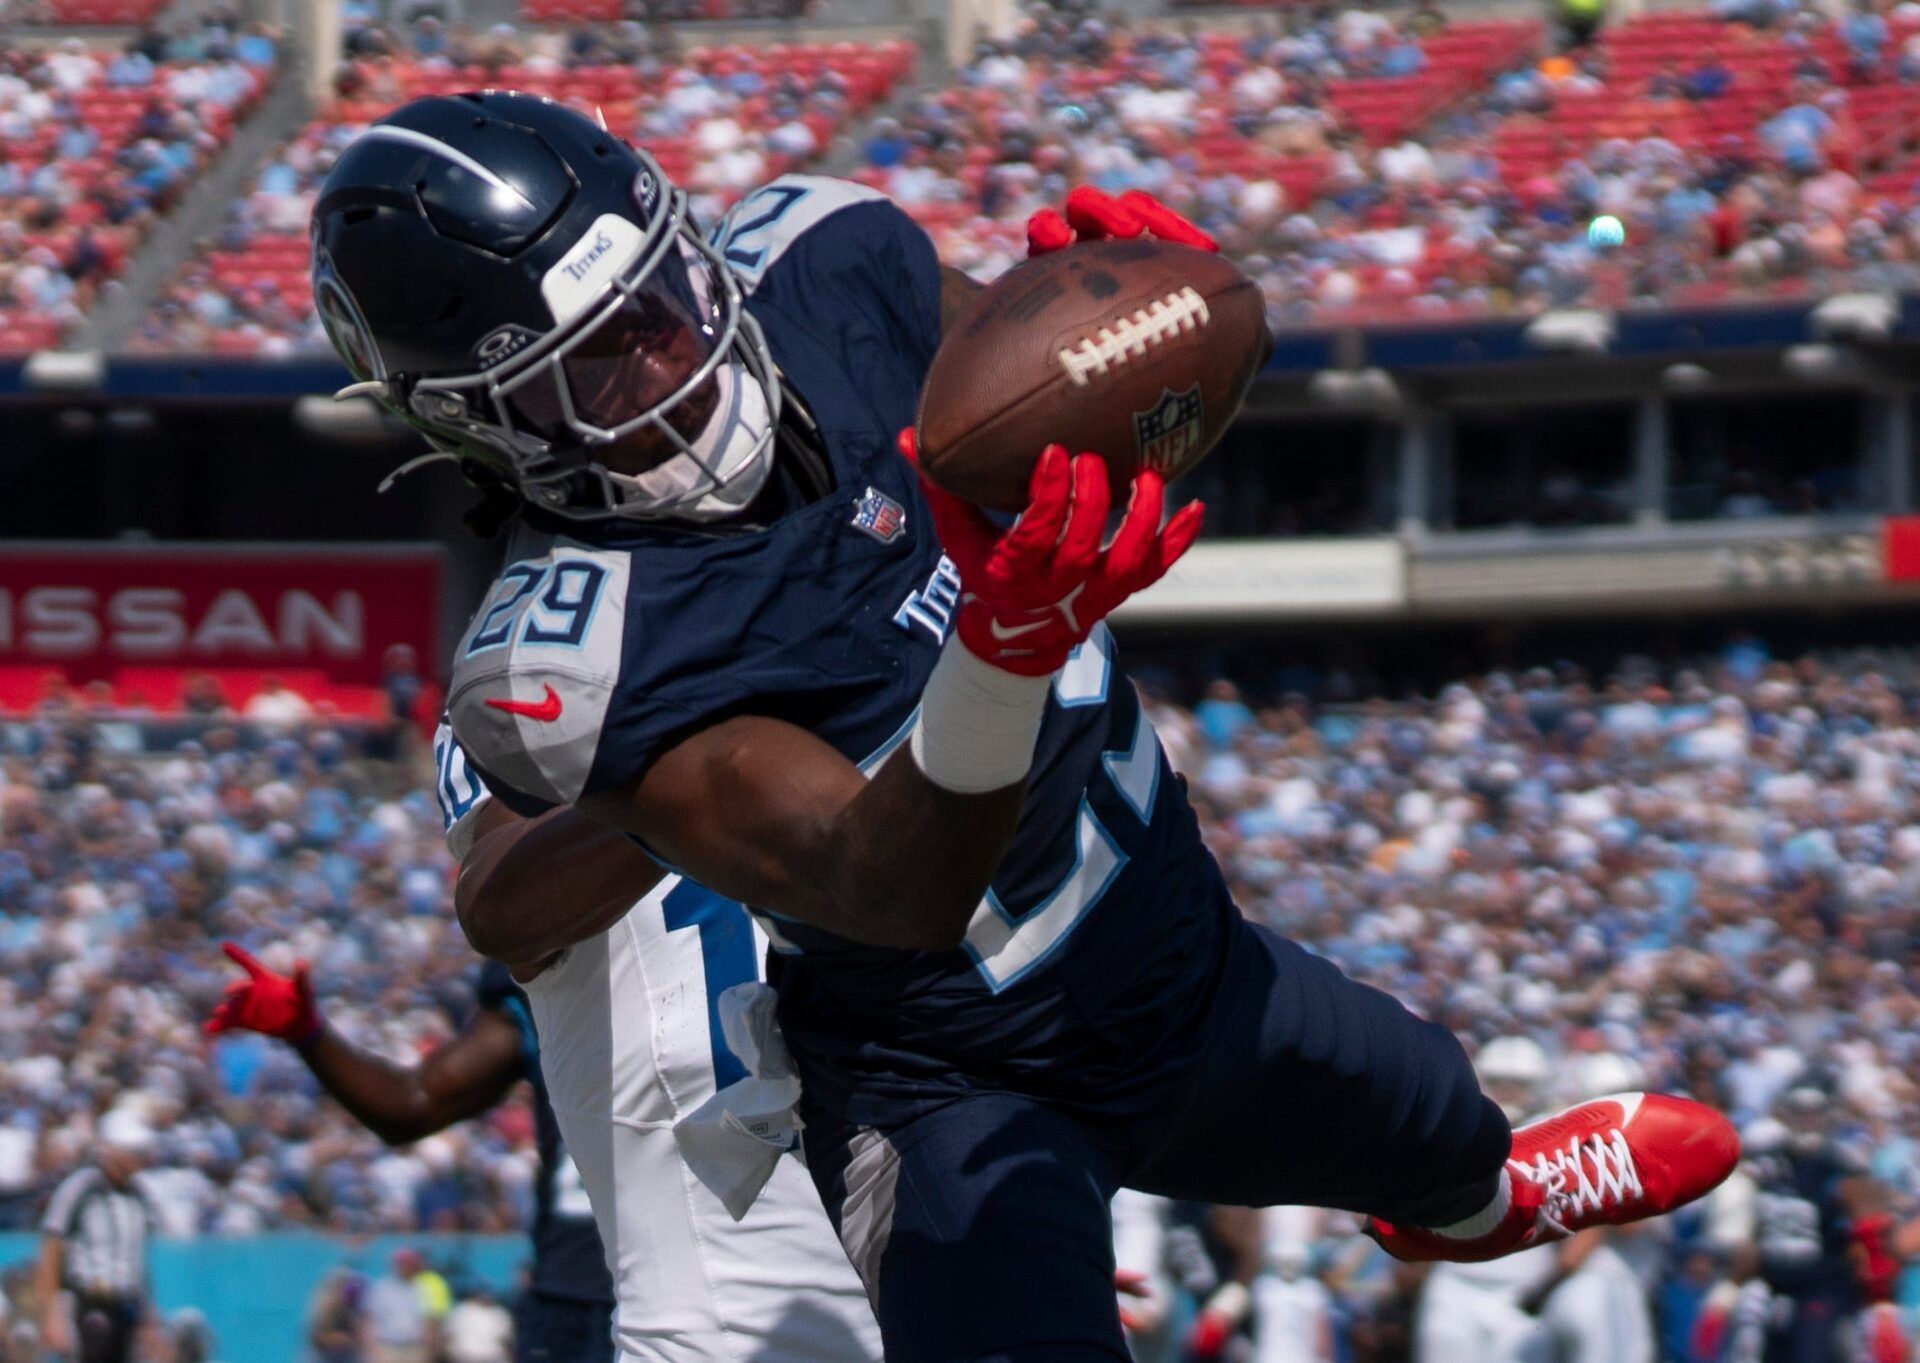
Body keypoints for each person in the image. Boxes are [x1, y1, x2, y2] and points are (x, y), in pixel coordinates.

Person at [311, 92, 1740, 1362]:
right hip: (953, 1081)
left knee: (1452, 1138)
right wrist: (999, 646)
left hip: (1177, 952)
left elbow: (1033, 400)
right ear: (482, 425)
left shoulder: (829, 256)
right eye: (600, 361)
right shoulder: (581, 650)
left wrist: (1128, 310)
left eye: (664, 289)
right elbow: (894, 886)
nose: (675, 348)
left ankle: (1484, 1205)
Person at [205, 906, 879, 1363]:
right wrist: (310, 1035)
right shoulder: (563, 934)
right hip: (583, 1286)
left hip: (749, 1266)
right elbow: (412, 1103)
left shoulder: (777, 922)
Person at [206, 939, 621, 1363]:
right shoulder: (552, 991)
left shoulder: (689, 964)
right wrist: (309, 1032)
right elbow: (413, 1103)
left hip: (678, 1276)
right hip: (572, 1295)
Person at [34, 1111, 158, 1363]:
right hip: (88, 1302)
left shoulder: (138, 1196)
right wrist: (50, 1314)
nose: (139, 1159)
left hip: (126, 1305)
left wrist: (148, 1319)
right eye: (133, 1152)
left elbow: (137, 1259)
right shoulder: (81, 1187)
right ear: (113, 1152)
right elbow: (52, 1249)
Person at [364, 1249, 437, 1363]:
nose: (406, 1267)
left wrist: (428, 1349)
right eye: (402, 1263)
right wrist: (373, 1350)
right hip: (388, 1347)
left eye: (409, 1264)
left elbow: (428, 1320)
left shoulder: (423, 1288)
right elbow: (369, 1320)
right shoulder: (382, 1288)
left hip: (415, 1347)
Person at [445, 1287, 515, 1363]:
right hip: (464, 1357)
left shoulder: (500, 1314)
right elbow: (449, 1337)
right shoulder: (461, 1311)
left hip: (492, 1357)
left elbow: (505, 1342)